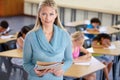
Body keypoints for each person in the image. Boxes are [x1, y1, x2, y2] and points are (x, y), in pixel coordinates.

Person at [23, 0, 73, 80]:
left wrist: (63, 69)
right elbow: (26, 63)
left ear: (56, 15)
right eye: (44, 14)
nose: (48, 18)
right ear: (39, 14)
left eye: (51, 14)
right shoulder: (30, 36)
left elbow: (69, 60)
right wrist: (34, 71)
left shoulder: (65, 35)